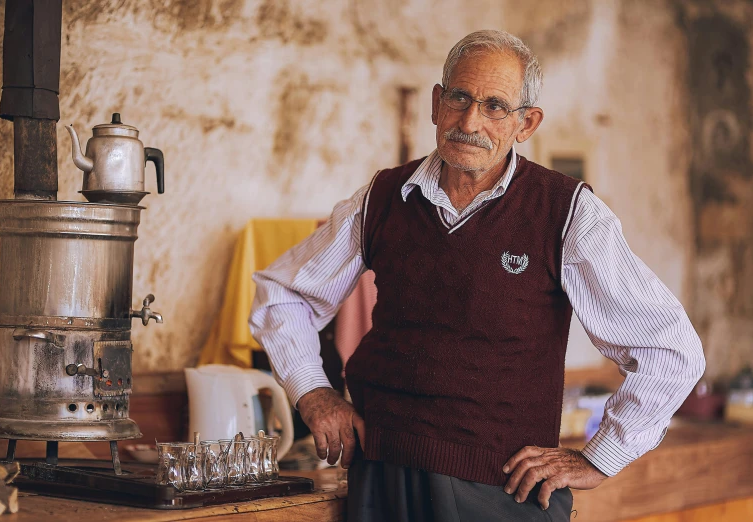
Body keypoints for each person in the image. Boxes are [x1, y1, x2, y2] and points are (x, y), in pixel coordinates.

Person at [249, 29, 705, 521]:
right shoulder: (383, 197)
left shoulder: (567, 213)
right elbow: (282, 293)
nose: (470, 121)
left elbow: (670, 350)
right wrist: (314, 391)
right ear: (435, 103)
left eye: (494, 106)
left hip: (501, 494)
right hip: (381, 478)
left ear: (526, 123)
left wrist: (599, 457)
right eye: (460, 98)